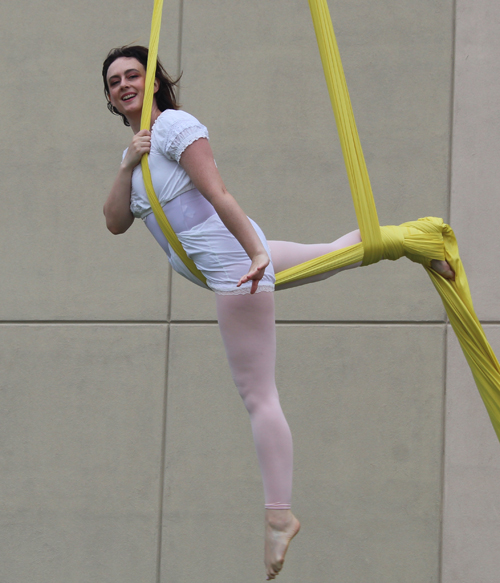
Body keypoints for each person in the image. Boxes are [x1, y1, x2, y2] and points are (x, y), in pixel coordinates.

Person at [102, 46, 454, 580]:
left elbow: (217, 192)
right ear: (108, 97)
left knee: (257, 394)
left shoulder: (174, 126)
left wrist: (257, 255)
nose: (124, 83)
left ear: (154, 83)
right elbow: (113, 221)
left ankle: (278, 515)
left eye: (134, 74)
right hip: (237, 261)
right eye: (114, 81)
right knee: (331, 256)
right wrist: (127, 163)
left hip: (233, 270)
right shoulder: (139, 150)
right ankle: (417, 239)